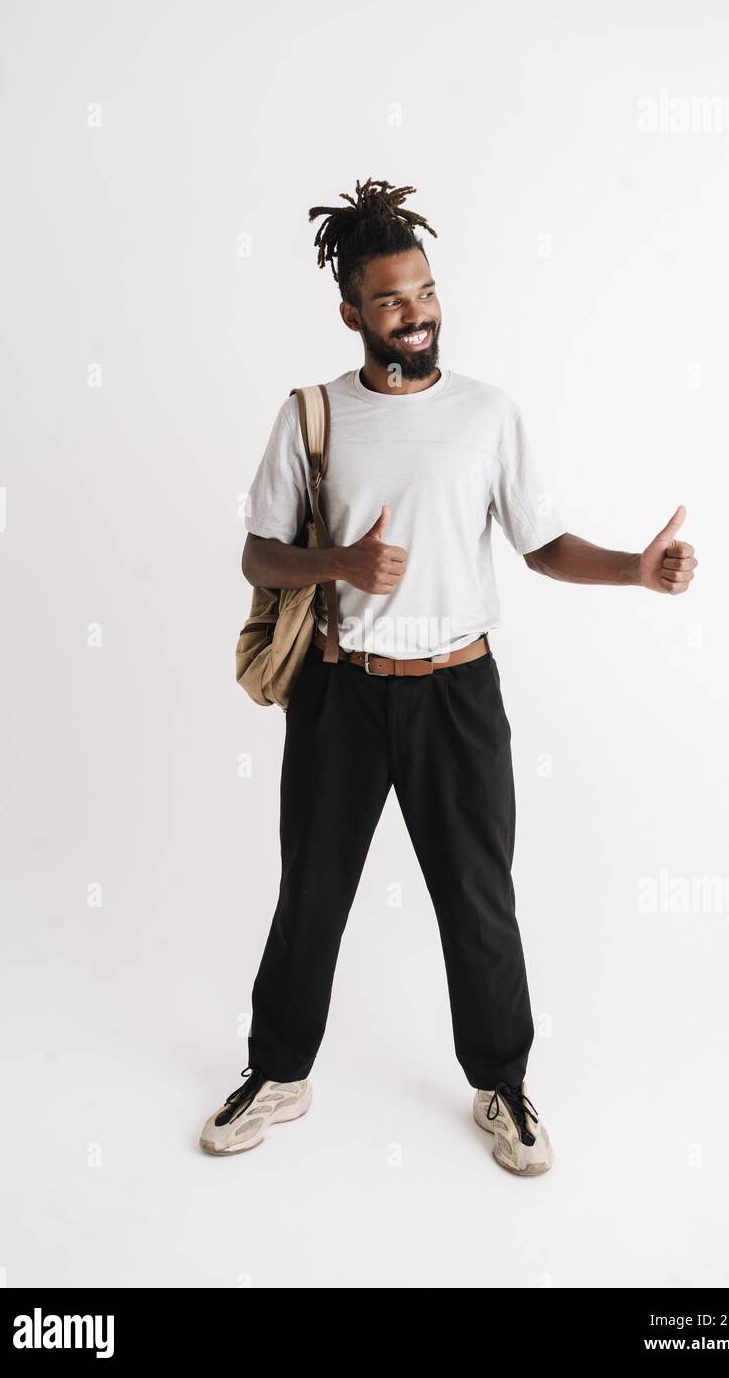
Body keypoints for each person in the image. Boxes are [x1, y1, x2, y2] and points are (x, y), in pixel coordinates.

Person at [199, 178, 698, 1176]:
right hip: (339, 690)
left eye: (423, 291)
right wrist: (338, 565)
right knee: (312, 888)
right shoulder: (310, 415)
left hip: (456, 691)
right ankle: (278, 1071)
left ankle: (501, 1085)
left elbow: (542, 544)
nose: (415, 311)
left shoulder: (485, 414)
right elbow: (258, 556)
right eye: (389, 299)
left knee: (477, 893)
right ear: (351, 312)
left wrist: (633, 571)